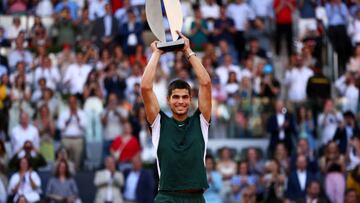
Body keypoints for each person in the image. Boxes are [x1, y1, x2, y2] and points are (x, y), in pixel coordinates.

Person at [141, 31, 211, 202]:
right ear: (168, 100)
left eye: (185, 97)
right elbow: (145, 87)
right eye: (176, 97)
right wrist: (157, 53)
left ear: (190, 99)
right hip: (167, 197)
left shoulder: (200, 121)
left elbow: (206, 82)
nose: (181, 101)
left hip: (195, 198)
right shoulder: (158, 123)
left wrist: (188, 51)